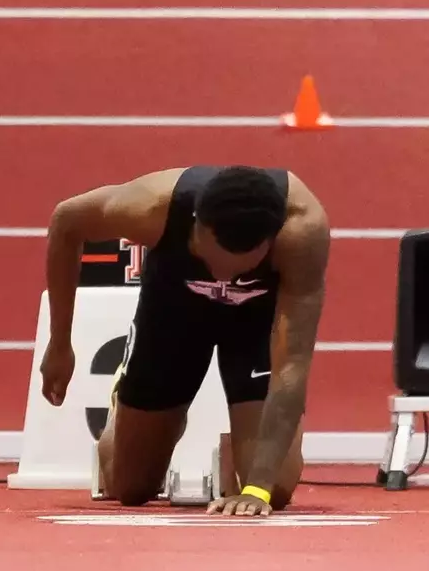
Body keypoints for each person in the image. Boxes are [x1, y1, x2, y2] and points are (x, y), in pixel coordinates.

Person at [40, 164, 330, 516]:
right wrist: (59, 343)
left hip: (256, 321)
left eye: (240, 271)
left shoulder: (301, 232)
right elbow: (66, 220)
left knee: (275, 491)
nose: (224, 279)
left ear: (271, 241)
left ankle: (240, 458)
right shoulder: (152, 207)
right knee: (129, 487)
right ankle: (130, 403)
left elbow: (292, 366)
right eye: (213, 263)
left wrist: (257, 490)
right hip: (175, 308)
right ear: (197, 225)